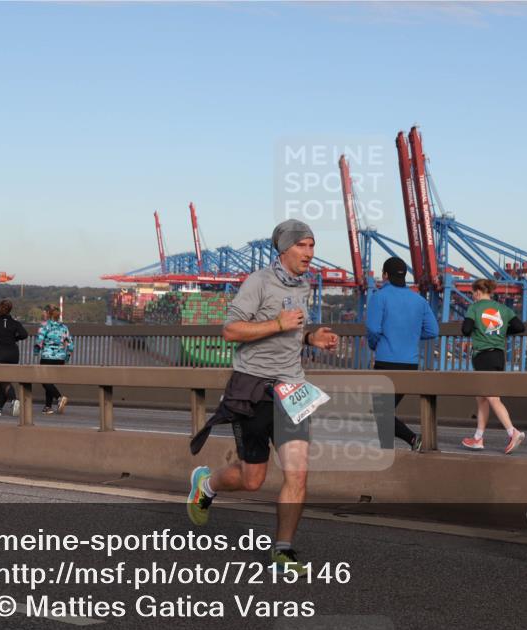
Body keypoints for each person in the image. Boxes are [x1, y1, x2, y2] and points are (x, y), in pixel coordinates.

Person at [186, 219, 339, 573]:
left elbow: (292, 331)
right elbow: (230, 330)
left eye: (312, 246)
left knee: (298, 472)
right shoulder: (257, 282)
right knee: (252, 479)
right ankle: (205, 484)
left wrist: (310, 338)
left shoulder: (304, 285)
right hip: (254, 388)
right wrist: (278, 324)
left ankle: (282, 551)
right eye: (303, 246)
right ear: (284, 248)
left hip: (292, 388)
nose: (309, 253)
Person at [365, 256, 440, 451]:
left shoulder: (379, 297)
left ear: (385, 275)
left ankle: (413, 439)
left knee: (381, 410)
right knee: (385, 410)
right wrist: (411, 335)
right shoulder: (419, 300)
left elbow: (373, 329)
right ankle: (387, 451)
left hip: (385, 362)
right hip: (410, 364)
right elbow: (433, 331)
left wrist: (375, 345)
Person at [459, 278, 527, 454]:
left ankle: (513, 432)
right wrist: (502, 332)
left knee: (492, 397)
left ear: (478, 292)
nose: (473, 297)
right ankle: (478, 438)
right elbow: (520, 327)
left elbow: (466, 329)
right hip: (498, 355)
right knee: (481, 397)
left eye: (473, 293)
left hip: (483, 356)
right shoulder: (503, 309)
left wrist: (476, 328)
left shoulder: (474, 307)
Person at [0, 298, 29, 417]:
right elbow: (24, 334)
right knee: (4, 381)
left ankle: (14, 399)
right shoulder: (15, 323)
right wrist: (15, 338)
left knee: (3, 381)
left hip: (0, 354)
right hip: (13, 354)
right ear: (10, 310)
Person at [34, 305, 72, 414]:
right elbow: (70, 345)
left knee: (44, 380)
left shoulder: (44, 326)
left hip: (47, 357)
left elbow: (38, 342)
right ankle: (48, 407)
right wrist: (66, 358)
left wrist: (36, 353)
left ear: (49, 315)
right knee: (49, 381)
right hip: (60, 359)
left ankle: (59, 397)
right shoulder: (64, 327)